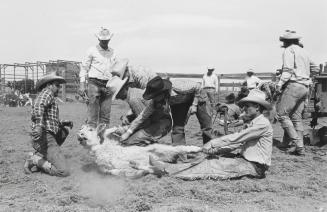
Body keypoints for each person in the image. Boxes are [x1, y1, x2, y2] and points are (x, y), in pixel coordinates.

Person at [149, 89, 273, 180]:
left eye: (247, 106)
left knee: (210, 165)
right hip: (246, 162)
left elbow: (237, 138)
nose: (244, 109)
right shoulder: (254, 123)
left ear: (257, 107)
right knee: (210, 158)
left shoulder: (262, 124)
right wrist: (216, 150)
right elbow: (238, 143)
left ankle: (167, 170)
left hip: (254, 167)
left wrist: (213, 143)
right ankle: (174, 168)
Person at [121, 76, 213, 145]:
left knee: (206, 125)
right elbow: (142, 116)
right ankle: (179, 154)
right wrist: (128, 132)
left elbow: (198, 87)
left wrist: (194, 104)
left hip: (198, 97)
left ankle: (209, 150)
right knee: (178, 128)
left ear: (162, 92)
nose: (154, 99)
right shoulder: (155, 101)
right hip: (180, 102)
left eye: (155, 96)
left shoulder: (179, 87)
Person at [276, 30, 317, 156]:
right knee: (295, 117)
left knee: (282, 114)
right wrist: (307, 78)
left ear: (286, 41)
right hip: (305, 87)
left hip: (294, 85)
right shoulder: (304, 51)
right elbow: (314, 68)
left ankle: (298, 144)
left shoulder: (289, 50)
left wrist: (279, 84)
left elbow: (287, 70)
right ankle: (300, 147)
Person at [24, 73, 73, 177]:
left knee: (64, 131)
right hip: (45, 136)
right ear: (49, 85)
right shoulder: (47, 93)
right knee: (63, 171)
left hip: (47, 135)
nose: (59, 88)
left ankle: (41, 156)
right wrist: (39, 126)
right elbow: (38, 106)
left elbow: (50, 119)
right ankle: (34, 159)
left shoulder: (48, 95)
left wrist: (63, 122)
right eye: (57, 85)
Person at [107, 76, 172, 146]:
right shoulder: (134, 91)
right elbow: (143, 115)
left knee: (128, 143)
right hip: (161, 121)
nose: (118, 98)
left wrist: (126, 130)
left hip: (161, 124)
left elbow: (145, 122)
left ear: (123, 89)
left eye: (117, 94)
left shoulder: (133, 99)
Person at [79, 27, 116, 128]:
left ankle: (103, 142)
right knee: (93, 116)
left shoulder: (113, 52)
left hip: (108, 85)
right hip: (94, 83)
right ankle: (91, 142)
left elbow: (115, 70)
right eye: (103, 40)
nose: (105, 41)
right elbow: (84, 68)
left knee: (105, 117)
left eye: (106, 40)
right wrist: (82, 85)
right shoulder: (91, 50)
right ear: (99, 39)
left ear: (109, 39)